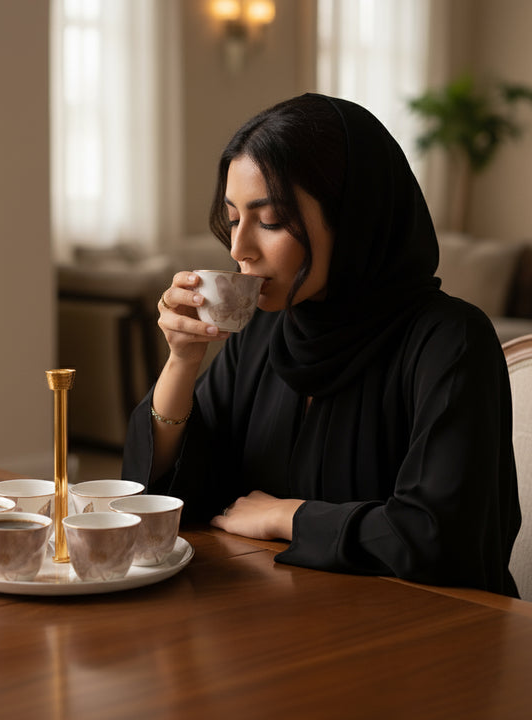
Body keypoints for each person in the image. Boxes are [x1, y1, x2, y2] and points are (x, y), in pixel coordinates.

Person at [121, 93, 521, 596]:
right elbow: (172, 499)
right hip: (284, 624)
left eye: (268, 220)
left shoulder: (451, 341)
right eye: (233, 218)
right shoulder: (267, 334)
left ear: (351, 216)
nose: (239, 249)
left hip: (422, 641)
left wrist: (288, 517)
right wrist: (181, 362)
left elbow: (445, 538)